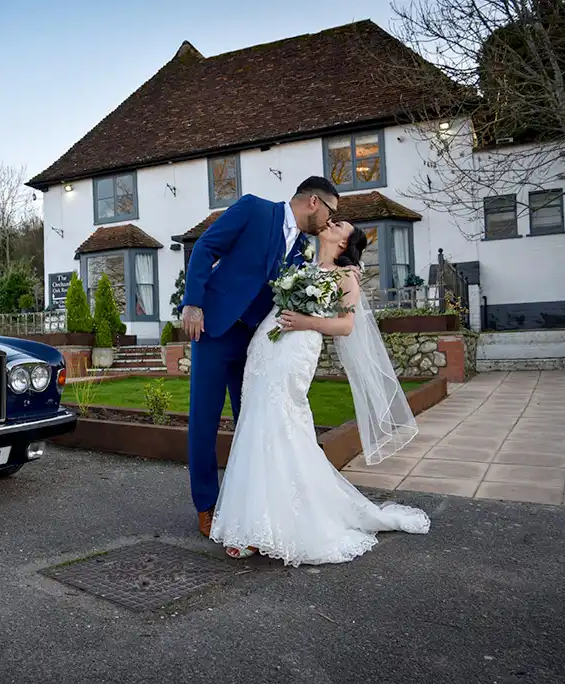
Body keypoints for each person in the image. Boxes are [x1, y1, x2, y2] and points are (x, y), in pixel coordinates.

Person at [209, 221, 430, 565]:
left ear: (344, 242)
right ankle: (250, 522)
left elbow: (345, 325)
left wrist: (305, 322)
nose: (331, 223)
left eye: (339, 224)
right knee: (255, 421)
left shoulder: (348, 276)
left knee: (280, 420)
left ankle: (274, 525)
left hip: (297, 349)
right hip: (267, 347)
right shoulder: (303, 263)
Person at [180, 176, 340, 539]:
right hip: (213, 329)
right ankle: (205, 505)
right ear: (314, 202)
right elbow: (205, 248)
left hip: (255, 344)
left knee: (249, 421)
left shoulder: (303, 249)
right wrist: (193, 303)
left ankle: (244, 504)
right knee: (204, 422)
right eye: (331, 212)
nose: (330, 222)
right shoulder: (254, 209)